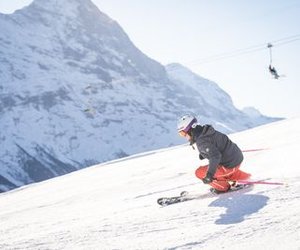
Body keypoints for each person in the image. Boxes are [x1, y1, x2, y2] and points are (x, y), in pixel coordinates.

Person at [177, 114, 251, 193]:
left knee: (199, 172)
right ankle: (244, 177)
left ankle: (223, 188)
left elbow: (215, 156)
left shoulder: (202, 141)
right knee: (217, 167)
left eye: (183, 133)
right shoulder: (206, 131)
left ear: (191, 129)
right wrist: (204, 153)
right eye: (181, 134)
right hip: (235, 159)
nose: (184, 136)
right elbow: (216, 144)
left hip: (229, 166)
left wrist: (209, 175)